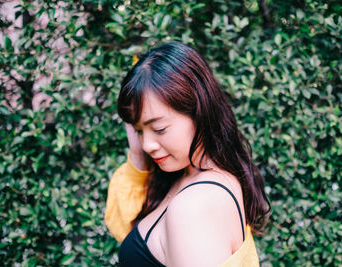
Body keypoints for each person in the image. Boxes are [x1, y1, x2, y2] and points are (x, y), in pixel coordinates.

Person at [105, 42, 271, 267]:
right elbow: (123, 224)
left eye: (159, 128)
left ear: (199, 110)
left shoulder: (195, 206)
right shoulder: (192, 176)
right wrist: (137, 154)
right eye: (139, 130)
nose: (147, 145)